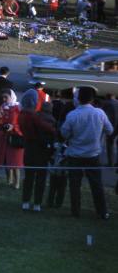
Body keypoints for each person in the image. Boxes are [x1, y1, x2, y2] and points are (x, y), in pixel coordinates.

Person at [60, 87, 113, 220]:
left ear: (78, 99)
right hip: (93, 155)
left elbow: (64, 133)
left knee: (75, 185)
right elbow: (110, 130)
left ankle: (75, 211)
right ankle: (102, 211)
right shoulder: (99, 113)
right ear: (92, 99)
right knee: (97, 185)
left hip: (75, 155)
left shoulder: (73, 115)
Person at [18, 90, 56, 212]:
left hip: (28, 147)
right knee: (41, 177)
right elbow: (44, 127)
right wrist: (55, 131)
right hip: (40, 149)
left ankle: (25, 201)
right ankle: (37, 203)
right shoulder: (34, 116)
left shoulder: (21, 114)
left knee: (29, 176)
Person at [0, 89, 24, 189]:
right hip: (4, 137)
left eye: (6, 97)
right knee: (6, 160)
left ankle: (17, 183)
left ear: (11, 96)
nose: (4, 99)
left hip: (15, 137)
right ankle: (9, 181)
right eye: (3, 97)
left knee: (15, 161)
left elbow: (22, 123)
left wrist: (14, 127)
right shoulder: (2, 107)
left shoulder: (18, 107)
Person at [102, 94, 118, 167]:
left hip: (112, 125)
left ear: (107, 97)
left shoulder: (106, 103)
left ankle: (110, 163)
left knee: (110, 144)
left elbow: (103, 115)